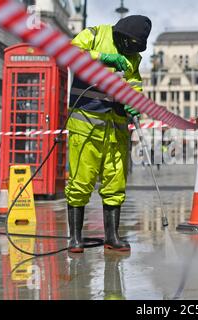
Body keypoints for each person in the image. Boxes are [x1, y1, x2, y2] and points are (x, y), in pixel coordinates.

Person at [65, 15, 152, 253]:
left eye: (135, 48)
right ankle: (75, 238)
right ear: (121, 34)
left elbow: (134, 81)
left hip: (117, 125)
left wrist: (135, 100)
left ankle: (112, 237)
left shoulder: (133, 55)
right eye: (128, 45)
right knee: (81, 181)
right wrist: (102, 57)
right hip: (86, 122)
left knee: (115, 181)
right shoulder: (94, 35)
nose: (130, 51)